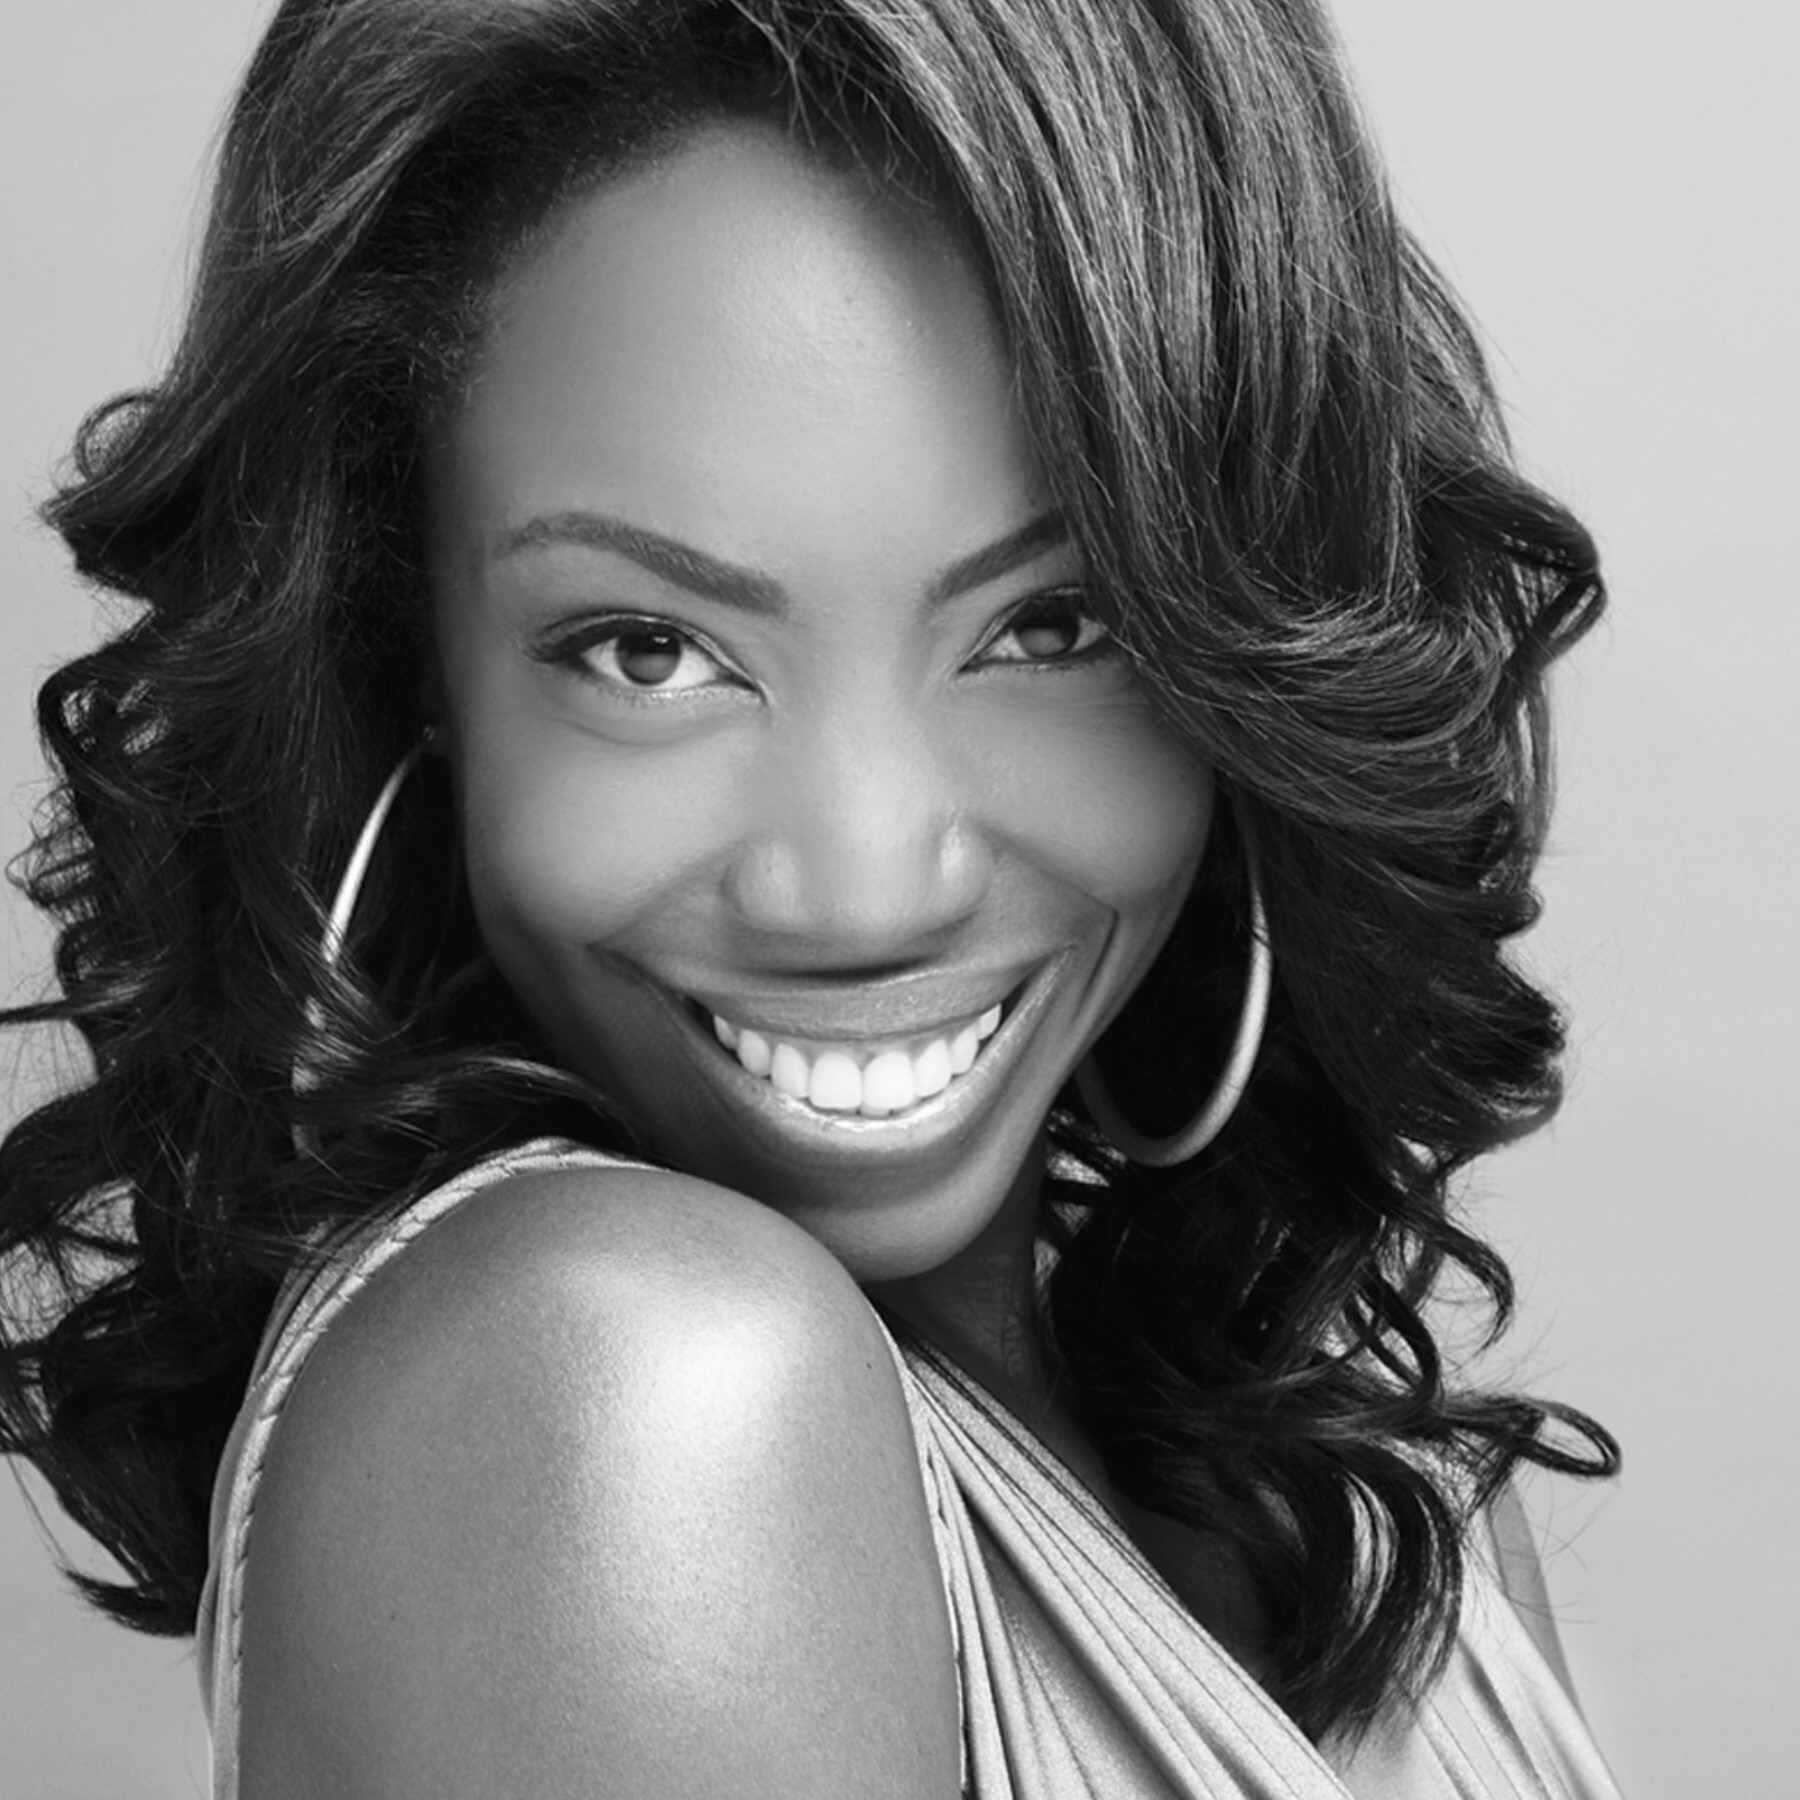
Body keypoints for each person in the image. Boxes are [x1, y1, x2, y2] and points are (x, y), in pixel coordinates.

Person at [0, 1, 1624, 1794]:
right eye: (648, 648)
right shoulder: (637, 1396)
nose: (863, 883)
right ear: (417, 666)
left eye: (1050, 625)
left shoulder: (1356, 1471)